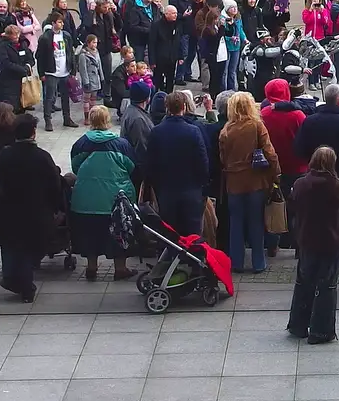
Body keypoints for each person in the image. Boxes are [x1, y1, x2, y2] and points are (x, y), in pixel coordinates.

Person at [0, 112, 64, 303]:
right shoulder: (41, 157)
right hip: (36, 212)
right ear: (33, 133)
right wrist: (57, 207)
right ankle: (24, 284)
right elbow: (54, 185)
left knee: (13, 246)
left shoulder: (5, 154)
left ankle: (13, 278)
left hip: (9, 211)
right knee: (30, 249)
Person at [288, 146, 339, 344]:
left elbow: (293, 206)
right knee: (326, 286)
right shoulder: (336, 185)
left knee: (304, 282)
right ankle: (321, 330)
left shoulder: (300, 184)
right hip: (330, 239)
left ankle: (298, 325)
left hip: (306, 238)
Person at [68, 106, 138, 281]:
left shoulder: (81, 144)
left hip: (86, 200)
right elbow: (131, 167)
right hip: (115, 199)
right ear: (107, 120)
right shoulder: (121, 144)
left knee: (90, 232)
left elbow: (75, 167)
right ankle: (120, 269)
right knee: (120, 231)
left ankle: (91, 267)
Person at [219, 91, 280, 274]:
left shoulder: (226, 131)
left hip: (234, 183)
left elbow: (223, 158)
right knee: (256, 222)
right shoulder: (256, 126)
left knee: (236, 223)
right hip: (255, 181)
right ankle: (258, 263)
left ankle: (236, 262)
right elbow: (270, 153)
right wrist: (275, 174)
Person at [142, 91, 211, 238]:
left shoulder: (156, 131)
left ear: (167, 107)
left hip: (166, 190)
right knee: (192, 234)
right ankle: (192, 259)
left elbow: (150, 163)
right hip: (191, 189)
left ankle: (170, 258)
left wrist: (156, 185)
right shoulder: (193, 131)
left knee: (169, 232)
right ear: (184, 107)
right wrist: (202, 184)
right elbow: (202, 161)